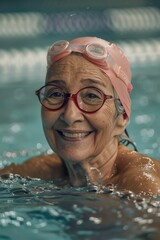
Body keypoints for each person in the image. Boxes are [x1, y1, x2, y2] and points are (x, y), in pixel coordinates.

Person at [0, 36, 160, 196]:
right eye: (55, 93)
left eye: (91, 96)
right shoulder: (46, 171)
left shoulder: (142, 187)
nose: (70, 115)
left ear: (122, 117)